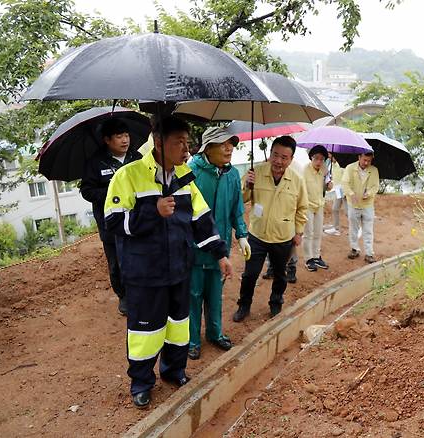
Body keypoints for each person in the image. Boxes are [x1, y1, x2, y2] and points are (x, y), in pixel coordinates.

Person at [104, 116, 233, 409]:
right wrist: (152, 211)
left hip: (178, 269)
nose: (186, 148)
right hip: (144, 273)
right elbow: (113, 223)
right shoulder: (128, 176)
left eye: (188, 142)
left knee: (178, 327)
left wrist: (220, 253)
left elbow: (201, 219)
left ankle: (174, 371)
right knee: (145, 332)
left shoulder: (185, 177)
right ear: (159, 142)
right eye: (180, 142)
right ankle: (141, 382)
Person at [187, 126, 251, 360]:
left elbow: (237, 208)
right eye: (223, 143)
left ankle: (215, 333)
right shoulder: (190, 171)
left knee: (215, 294)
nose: (229, 148)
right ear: (207, 148)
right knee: (193, 295)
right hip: (194, 248)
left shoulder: (232, 174)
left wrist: (242, 235)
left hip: (220, 248)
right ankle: (192, 340)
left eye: (231, 143)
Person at [233, 135, 308, 322]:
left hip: (283, 237)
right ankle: (244, 305)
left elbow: (302, 208)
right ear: (270, 154)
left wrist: (298, 232)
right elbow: (241, 200)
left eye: (284, 157)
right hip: (257, 235)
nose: (278, 161)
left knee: (280, 275)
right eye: (275, 155)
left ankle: (276, 303)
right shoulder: (255, 172)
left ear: (291, 160)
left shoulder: (297, 180)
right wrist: (246, 186)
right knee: (250, 274)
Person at [80, 118, 142, 316]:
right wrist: (112, 192)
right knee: (116, 262)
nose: (125, 140)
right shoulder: (96, 162)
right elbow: (87, 191)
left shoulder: (137, 158)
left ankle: (141, 291)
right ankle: (124, 296)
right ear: (107, 140)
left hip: (136, 220)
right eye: (119, 137)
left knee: (139, 256)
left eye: (126, 135)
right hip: (111, 224)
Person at [341, 151, 379, 264]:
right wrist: (351, 194)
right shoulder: (350, 168)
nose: (366, 163)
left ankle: (369, 253)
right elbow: (344, 183)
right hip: (353, 204)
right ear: (359, 157)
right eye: (364, 160)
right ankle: (354, 249)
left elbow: (375, 186)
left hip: (367, 205)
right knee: (353, 228)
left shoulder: (374, 170)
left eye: (369, 160)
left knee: (368, 230)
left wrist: (369, 194)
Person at [303, 145, 332, 271]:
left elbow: (326, 187)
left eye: (322, 159)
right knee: (308, 233)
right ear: (311, 158)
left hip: (319, 204)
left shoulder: (324, 170)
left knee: (318, 232)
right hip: (307, 205)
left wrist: (329, 185)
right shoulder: (304, 170)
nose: (319, 162)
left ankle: (316, 256)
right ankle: (308, 259)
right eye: (317, 158)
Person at [324, 154, 346, 236]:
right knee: (335, 209)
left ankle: (357, 227)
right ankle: (336, 228)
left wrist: (345, 191)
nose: (328, 156)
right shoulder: (331, 164)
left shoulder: (342, 164)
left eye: (330, 154)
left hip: (344, 189)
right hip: (338, 189)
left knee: (348, 211)